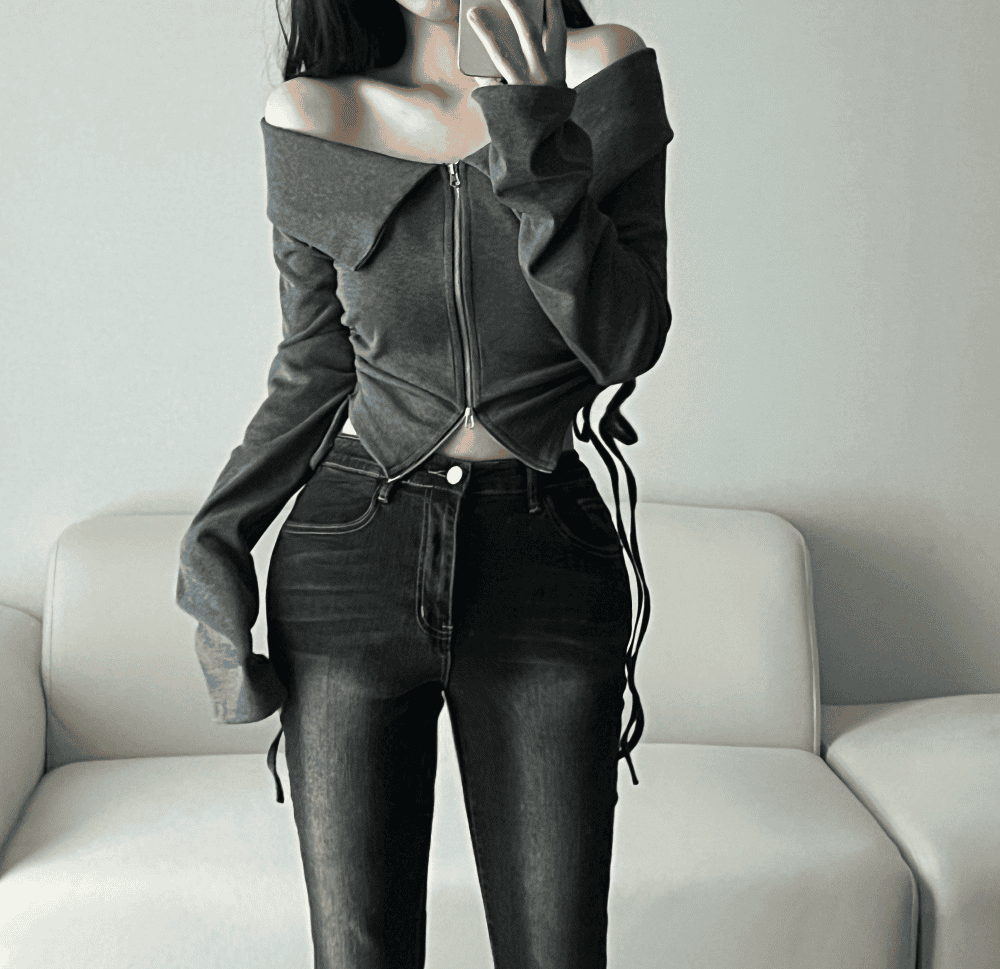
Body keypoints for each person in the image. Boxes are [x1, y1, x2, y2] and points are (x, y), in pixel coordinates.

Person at [176, 0, 673, 964]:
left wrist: (532, 126)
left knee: (557, 949)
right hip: (350, 558)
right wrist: (216, 539)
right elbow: (314, 368)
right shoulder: (313, 112)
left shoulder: (603, 69)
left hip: (546, 558)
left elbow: (626, 340)